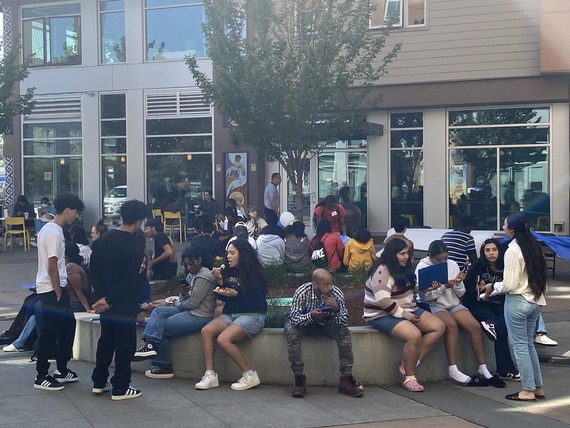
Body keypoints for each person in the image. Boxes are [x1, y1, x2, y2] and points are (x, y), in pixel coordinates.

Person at [416, 240, 502, 386]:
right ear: (431, 256)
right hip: (433, 304)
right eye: (439, 259)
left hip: (452, 302)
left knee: (474, 326)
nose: (443, 261)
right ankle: (453, 368)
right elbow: (425, 296)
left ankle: (482, 367)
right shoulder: (423, 267)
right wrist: (443, 287)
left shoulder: (452, 264)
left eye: (445, 258)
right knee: (451, 324)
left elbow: (461, 292)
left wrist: (458, 283)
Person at [364, 238, 445, 392]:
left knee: (439, 326)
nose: (406, 257)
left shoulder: (405, 268)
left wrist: (427, 288)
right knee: (414, 335)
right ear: (392, 254)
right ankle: (410, 377)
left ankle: (411, 362)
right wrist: (407, 316)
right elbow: (383, 302)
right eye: (402, 254)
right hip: (381, 314)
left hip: (407, 308)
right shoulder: (382, 271)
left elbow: (410, 290)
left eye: (407, 253)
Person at [90, 199, 148, 400]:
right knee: (125, 345)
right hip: (124, 303)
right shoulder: (135, 245)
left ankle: (99, 381)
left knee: (106, 340)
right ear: (139, 220)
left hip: (104, 301)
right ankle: (121, 386)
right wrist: (111, 299)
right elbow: (129, 278)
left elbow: (93, 270)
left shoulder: (102, 240)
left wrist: (101, 297)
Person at [132, 246, 217, 379]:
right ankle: (149, 344)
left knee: (163, 327)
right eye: (186, 264)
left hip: (199, 315)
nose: (189, 267)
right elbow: (185, 298)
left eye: (191, 263)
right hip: (188, 310)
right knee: (158, 311)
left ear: (199, 260)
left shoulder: (204, 277)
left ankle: (164, 365)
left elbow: (193, 302)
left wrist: (176, 303)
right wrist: (183, 293)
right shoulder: (191, 275)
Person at [195, 239, 267, 391]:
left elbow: (258, 301)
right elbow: (223, 295)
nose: (228, 256)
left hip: (252, 314)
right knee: (206, 331)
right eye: (228, 253)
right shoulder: (230, 271)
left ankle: (249, 374)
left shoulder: (255, 274)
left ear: (243, 254)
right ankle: (210, 375)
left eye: (232, 253)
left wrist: (237, 294)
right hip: (232, 314)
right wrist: (220, 281)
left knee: (223, 339)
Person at [493, 213, 547, 401]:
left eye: (505, 225)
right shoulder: (534, 246)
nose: (503, 228)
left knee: (520, 347)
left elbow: (509, 284)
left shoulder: (512, 251)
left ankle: (527, 390)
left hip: (517, 301)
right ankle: (537, 386)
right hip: (534, 300)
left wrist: (493, 287)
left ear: (512, 230)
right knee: (529, 345)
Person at [285, 268, 363, 398]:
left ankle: (346, 378)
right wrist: (311, 315)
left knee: (344, 332)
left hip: (326, 324)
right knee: (292, 331)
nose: (330, 287)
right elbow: (294, 318)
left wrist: (336, 308)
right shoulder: (302, 292)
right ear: (315, 284)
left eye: (331, 283)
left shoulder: (336, 293)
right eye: (326, 284)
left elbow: (344, 321)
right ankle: (299, 378)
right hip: (305, 324)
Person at [33, 193, 84, 391]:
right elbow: (52, 264)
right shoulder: (54, 232)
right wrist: (58, 292)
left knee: (67, 326)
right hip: (52, 289)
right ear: (67, 210)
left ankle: (62, 369)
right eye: (76, 212)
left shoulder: (51, 230)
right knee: (50, 331)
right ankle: (41, 375)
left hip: (54, 288)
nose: (76, 216)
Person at [463, 239, 519, 381]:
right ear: (483, 252)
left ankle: (505, 369)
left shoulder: (506, 266)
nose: (491, 253)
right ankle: (506, 369)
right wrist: (477, 289)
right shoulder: (477, 267)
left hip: (500, 304)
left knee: (501, 326)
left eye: (494, 250)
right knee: (499, 327)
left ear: (499, 251)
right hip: (479, 304)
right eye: (487, 250)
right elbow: (467, 290)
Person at [65, 241, 92, 313]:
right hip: (74, 301)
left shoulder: (71, 267)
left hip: (75, 303)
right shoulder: (77, 265)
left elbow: (79, 291)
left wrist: (88, 309)